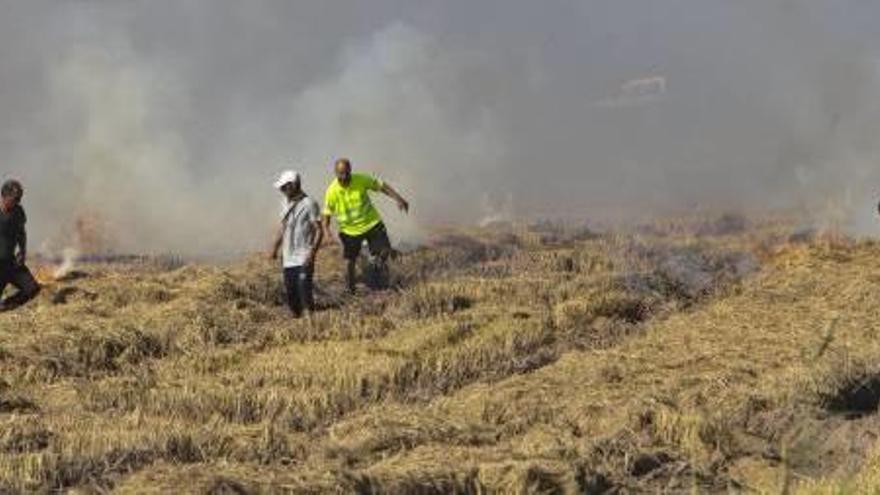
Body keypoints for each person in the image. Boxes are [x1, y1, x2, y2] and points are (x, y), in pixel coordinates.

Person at [321, 158, 409, 294]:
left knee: (385, 251)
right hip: (349, 230)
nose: (344, 177)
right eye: (340, 174)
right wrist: (327, 233)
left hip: (371, 223)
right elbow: (326, 215)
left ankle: (376, 268)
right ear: (335, 173)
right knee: (349, 262)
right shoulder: (331, 191)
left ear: (350, 171)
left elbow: (382, 186)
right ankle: (350, 289)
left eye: (346, 173)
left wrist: (399, 198)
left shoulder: (360, 179)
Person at [268, 170, 323, 318]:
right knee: (293, 301)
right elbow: (283, 228)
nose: (282, 191)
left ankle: (311, 327)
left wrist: (312, 254)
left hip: (304, 257)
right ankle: (299, 327)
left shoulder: (310, 204)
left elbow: (319, 230)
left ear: (293, 185)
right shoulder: (284, 203)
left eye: (284, 187)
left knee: (304, 293)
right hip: (288, 259)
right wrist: (274, 248)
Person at [0, 180, 39, 311]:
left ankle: (6, 304)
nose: (17, 202)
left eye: (19, 199)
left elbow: (21, 233)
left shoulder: (18, 212)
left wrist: (22, 251)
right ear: (4, 195)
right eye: (15, 198)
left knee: (32, 288)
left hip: (11, 263)